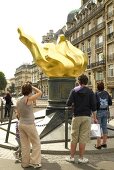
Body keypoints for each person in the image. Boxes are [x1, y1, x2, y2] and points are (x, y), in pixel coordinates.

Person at [66, 74, 97, 163]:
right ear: (87, 82)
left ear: (79, 82)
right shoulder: (90, 92)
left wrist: (73, 104)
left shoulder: (74, 90)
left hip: (76, 116)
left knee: (74, 137)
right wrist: (94, 118)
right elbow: (94, 107)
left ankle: (71, 157)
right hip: (87, 117)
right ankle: (81, 158)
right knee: (83, 138)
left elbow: (68, 103)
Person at [16, 82, 42, 168]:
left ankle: (25, 163)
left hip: (21, 124)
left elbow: (18, 114)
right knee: (36, 142)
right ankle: (34, 162)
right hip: (29, 124)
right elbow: (40, 93)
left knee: (25, 145)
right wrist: (33, 87)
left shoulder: (18, 100)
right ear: (30, 90)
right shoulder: (29, 99)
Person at [95, 82, 112, 149]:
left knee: (98, 128)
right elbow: (110, 103)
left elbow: (94, 104)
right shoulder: (107, 93)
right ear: (103, 87)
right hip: (105, 111)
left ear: (97, 87)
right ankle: (104, 143)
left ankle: (98, 144)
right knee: (105, 127)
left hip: (99, 112)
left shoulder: (96, 94)